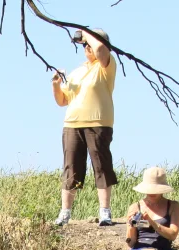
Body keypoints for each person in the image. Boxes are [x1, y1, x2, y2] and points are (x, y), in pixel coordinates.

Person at [51, 28, 118, 227]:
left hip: (98, 123)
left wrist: (87, 34)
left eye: (88, 44)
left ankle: (105, 212)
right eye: (84, 45)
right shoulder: (77, 71)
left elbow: (101, 51)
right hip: (72, 124)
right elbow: (62, 100)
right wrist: (55, 85)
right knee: (71, 168)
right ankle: (65, 213)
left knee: (101, 166)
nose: (86, 47)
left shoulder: (106, 66)